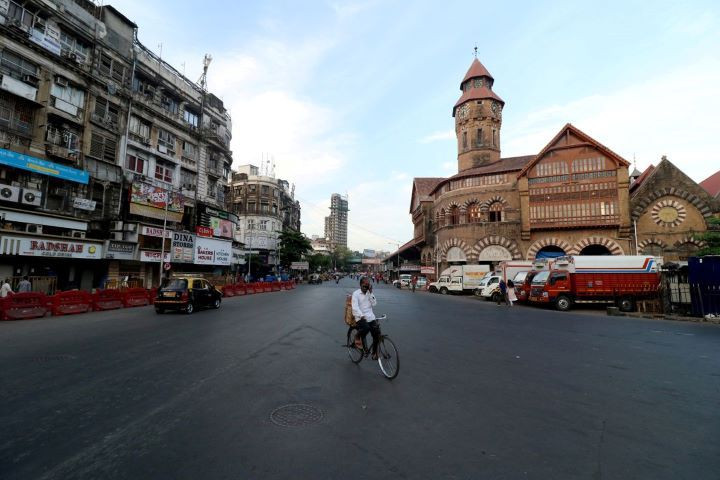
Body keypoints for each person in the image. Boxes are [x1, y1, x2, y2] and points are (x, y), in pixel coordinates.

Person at [351, 277, 380, 359]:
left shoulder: (369, 293)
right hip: (360, 317)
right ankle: (357, 336)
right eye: (364, 286)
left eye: (367, 286)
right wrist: (361, 315)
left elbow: (374, 304)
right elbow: (355, 307)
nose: (366, 288)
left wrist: (371, 293)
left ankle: (374, 353)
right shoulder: (356, 294)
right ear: (360, 285)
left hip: (370, 317)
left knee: (377, 334)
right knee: (366, 328)